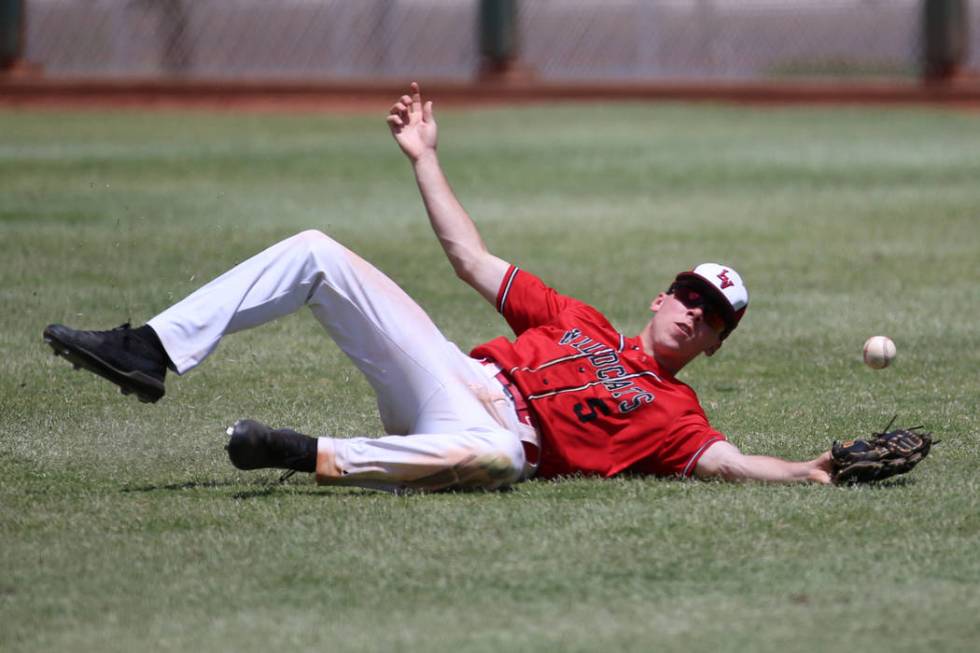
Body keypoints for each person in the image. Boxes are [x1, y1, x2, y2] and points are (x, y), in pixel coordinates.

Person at [44, 83, 833, 492]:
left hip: (477, 440)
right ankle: (149, 348)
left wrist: (809, 470)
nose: (694, 312)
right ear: (661, 297)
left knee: (501, 457)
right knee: (318, 250)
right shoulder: (578, 319)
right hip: (456, 376)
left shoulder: (675, 417)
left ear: (717, 343)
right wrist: (423, 155)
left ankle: (304, 453)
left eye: (713, 315)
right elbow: (469, 256)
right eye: (689, 295)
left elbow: (728, 464)